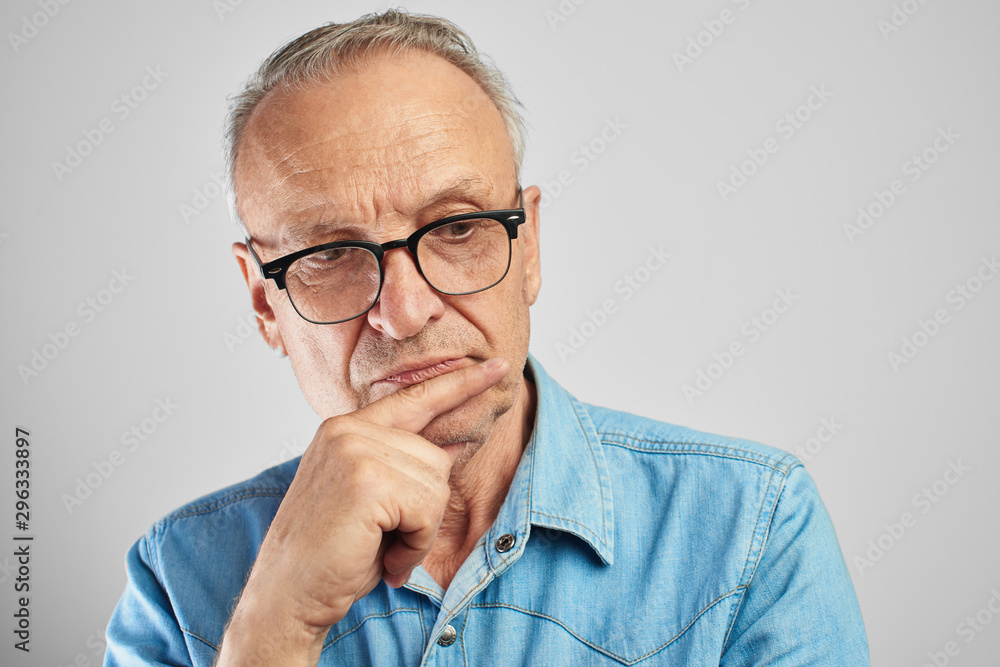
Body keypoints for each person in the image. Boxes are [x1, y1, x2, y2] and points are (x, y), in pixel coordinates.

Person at [104, 10, 869, 666]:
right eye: (330, 254)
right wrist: (274, 628)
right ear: (262, 301)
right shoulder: (177, 577)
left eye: (458, 227)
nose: (404, 312)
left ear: (529, 246)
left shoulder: (753, 528)